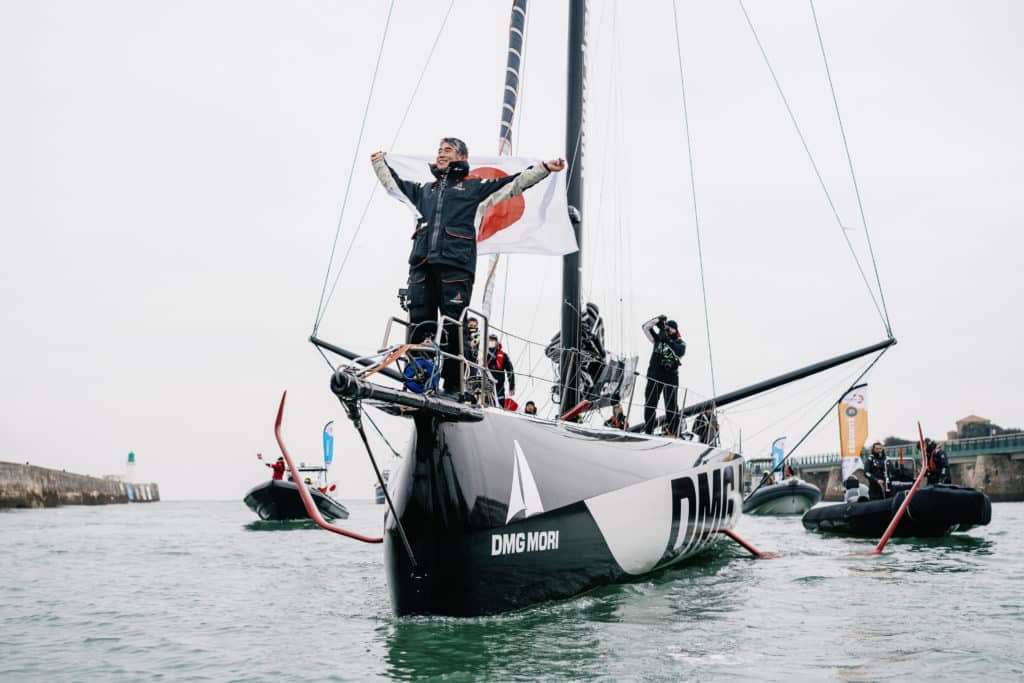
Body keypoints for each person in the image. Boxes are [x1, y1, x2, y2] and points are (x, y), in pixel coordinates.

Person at [371, 139, 565, 393]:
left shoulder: (474, 188)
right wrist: (378, 163)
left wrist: (544, 168)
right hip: (421, 264)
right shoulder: (424, 191)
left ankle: (453, 385)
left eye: (447, 151)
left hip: (456, 265)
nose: (441, 154)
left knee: (452, 324)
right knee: (420, 323)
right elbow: (394, 184)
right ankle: (418, 380)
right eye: (439, 150)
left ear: (461, 156)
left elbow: (514, 184)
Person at [641, 315, 686, 435]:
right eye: (668, 327)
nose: (670, 329)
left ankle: (674, 432)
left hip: (670, 377)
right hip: (655, 375)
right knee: (650, 404)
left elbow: (679, 353)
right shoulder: (657, 338)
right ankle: (648, 432)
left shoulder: (680, 343)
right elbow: (645, 327)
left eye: (672, 328)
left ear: (676, 330)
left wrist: (667, 339)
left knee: (671, 407)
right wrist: (658, 321)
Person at [486, 333, 516, 406]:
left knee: (500, 402)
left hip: (499, 385)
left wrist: (511, 386)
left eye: (493, 340)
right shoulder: (482, 353)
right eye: (490, 340)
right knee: (485, 401)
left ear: (497, 342)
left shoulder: (504, 355)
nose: (491, 342)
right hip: (485, 382)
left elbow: (510, 371)